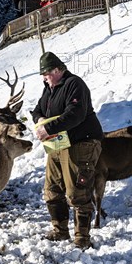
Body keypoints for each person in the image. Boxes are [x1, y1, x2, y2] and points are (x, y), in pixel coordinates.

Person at [31, 52, 103, 249]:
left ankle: (82, 238)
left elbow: (75, 114)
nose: (44, 78)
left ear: (57, 70)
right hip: (58, 144)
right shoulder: (49, 88)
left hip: (82, 142)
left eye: (45, 74)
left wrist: (49, 128)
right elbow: (37, 110)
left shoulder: (74, 84)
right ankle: (60, 230)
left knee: (76, 191)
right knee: (52, 188)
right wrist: (39, 120)